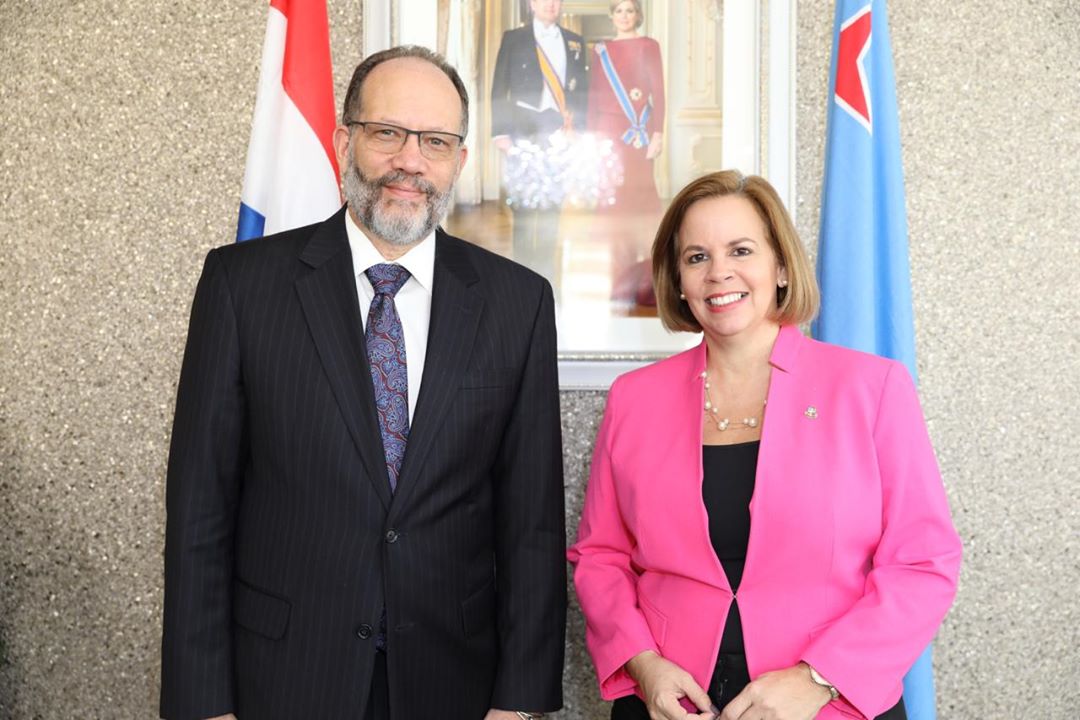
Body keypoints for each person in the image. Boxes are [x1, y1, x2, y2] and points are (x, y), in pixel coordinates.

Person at [161, 46, 566, 720]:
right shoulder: (242, 287)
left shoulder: (517, 304)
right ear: (345, 142)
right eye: (388, 133)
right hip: (284, 678)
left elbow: (532, 526)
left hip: (455, 683)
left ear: (460, 160)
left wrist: (519, 703)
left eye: (435, 141)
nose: (411, 161)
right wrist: (204, 704)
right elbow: (201, 508)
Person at [567, 170, 962, 720]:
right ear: (677, 280)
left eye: (741, 250)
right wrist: (642, 663)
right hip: (667, 703)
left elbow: (922, 562)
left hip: (828, 704)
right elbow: (601, 556)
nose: (718, 272)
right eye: (697, 257)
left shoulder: (871, 388)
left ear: (780, 267)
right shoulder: (634, 399)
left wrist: (820, 679)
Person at [490, 0, 589, 286]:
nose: (551, 4)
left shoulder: (575, 41)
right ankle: (521, 279)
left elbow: (581, 91)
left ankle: (545, 280)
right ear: (532, 4)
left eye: (556, 0)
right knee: (523, 207)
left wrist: (578, 129)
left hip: (559, 131)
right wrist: (500, 132)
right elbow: (500, 87)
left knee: (552, 208)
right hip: (522, 130)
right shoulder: (514, 38)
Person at [586, 0, 666, 307]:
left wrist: (657, 133)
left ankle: (645, 279)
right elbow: (593, 97)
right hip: (609, 133)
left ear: (638, 15)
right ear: (612, 16)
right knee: (613, 209)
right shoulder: (601, 50)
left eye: (629, 10)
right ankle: (616, 280)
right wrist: (593, 138)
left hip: (638, 135)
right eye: (618, 10)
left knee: (641, 206)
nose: (624, 16)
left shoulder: (649, 45)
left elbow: (658, 92)